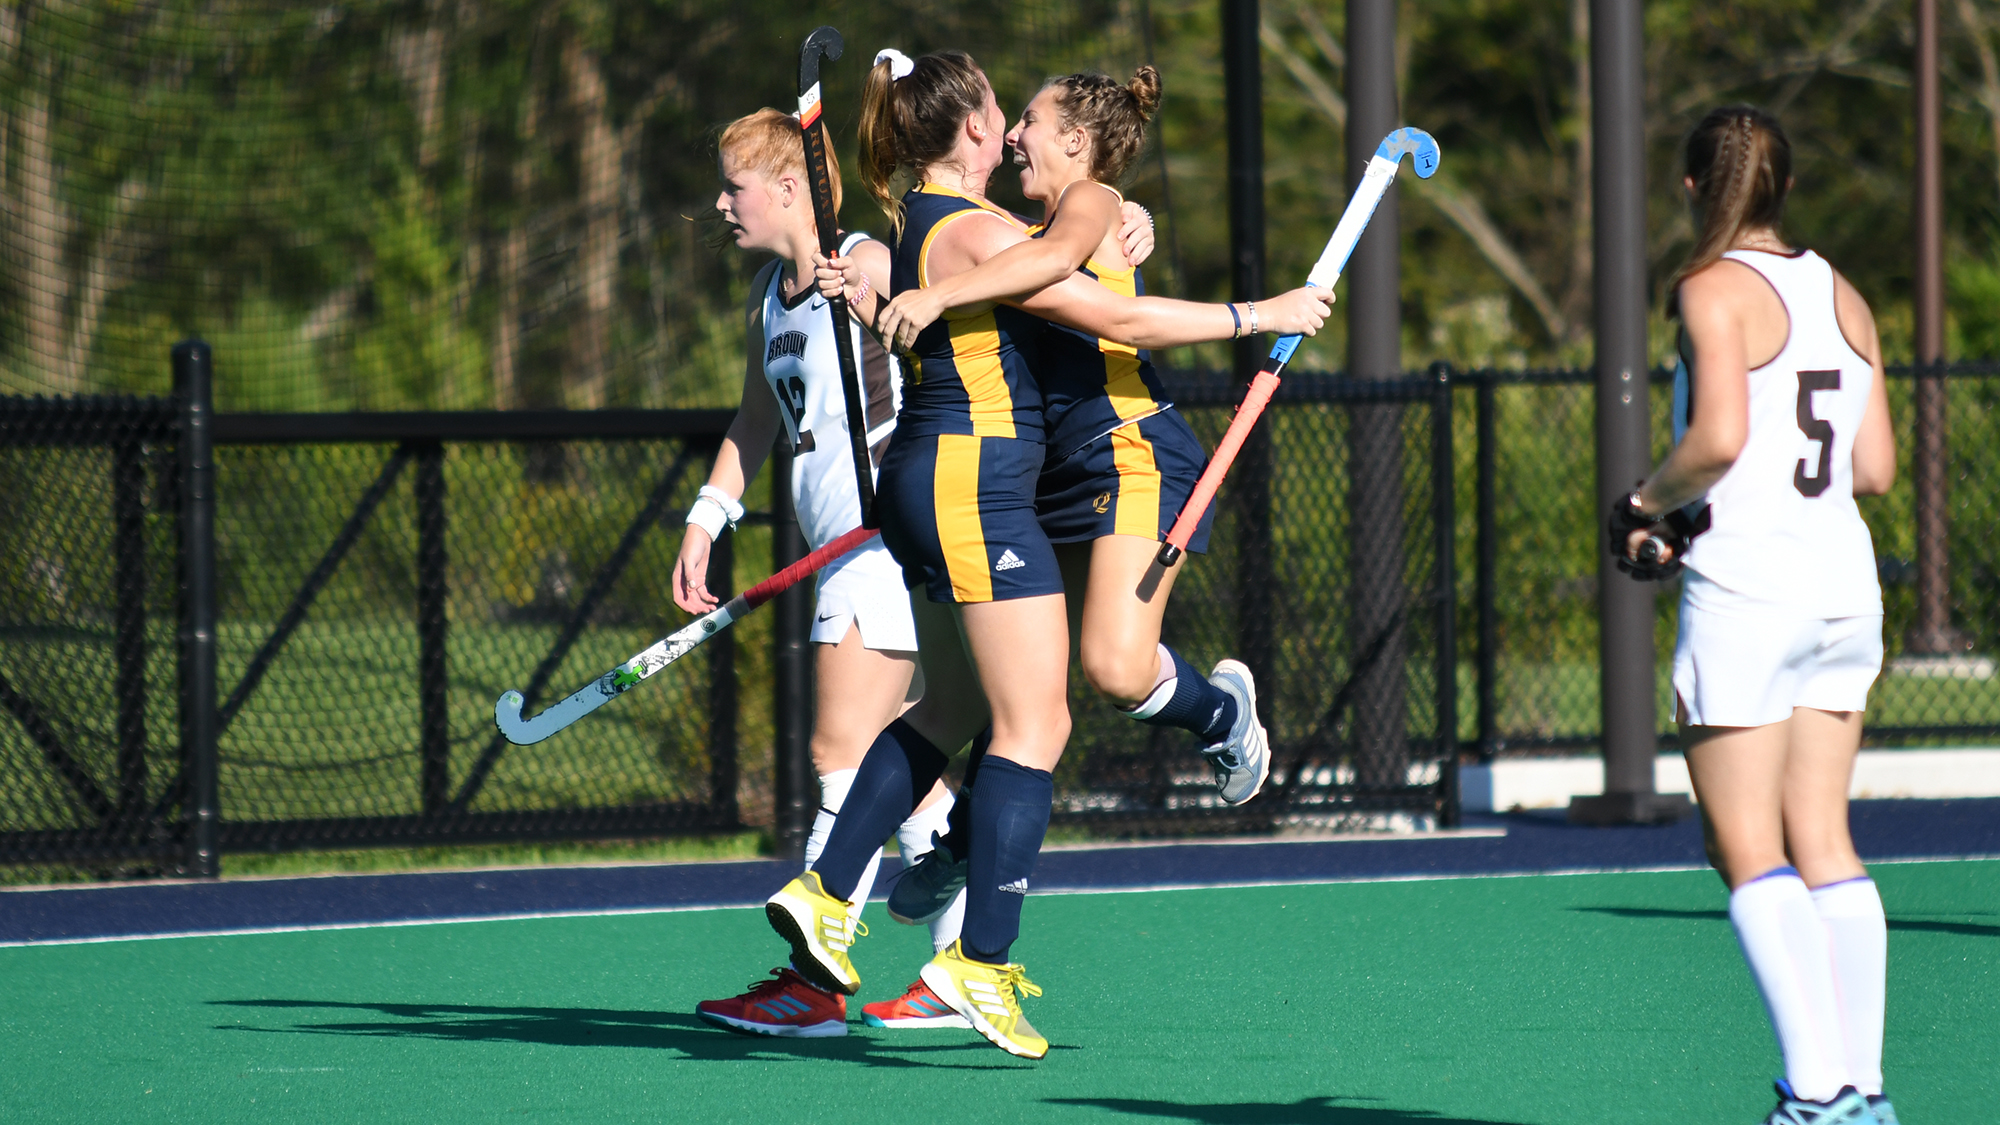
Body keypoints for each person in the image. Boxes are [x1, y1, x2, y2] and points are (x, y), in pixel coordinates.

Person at [765, 47, 1332, 1059]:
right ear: (972, 133)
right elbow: (1078, 295)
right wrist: (1254, 311)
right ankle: (967, 951)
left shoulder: (1006, 218)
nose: (1016, 129)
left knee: (999, 698)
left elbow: (1071, 272)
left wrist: (1112, 230)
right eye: (1004, 114)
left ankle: (854, 894)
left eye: (1031, 118)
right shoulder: (986, 229)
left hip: (1026, 467)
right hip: (988, 480)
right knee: (1028, 712)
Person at [684, 108, 1157, 1038]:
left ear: (789, 188)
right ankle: (948, 947)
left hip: (891, 536)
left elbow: (1014, 256)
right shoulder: (766, 300)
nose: (720, 203)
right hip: (860, 546)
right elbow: (754, 419)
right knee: (928, 744)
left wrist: (1119, 211)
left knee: (844, 748)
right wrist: (708, 516)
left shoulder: (869, 253)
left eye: (733, 186)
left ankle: (813, 981)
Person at [856, 66, 1275, 937]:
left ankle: (1224, 712)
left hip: (1128, 452)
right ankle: (968, 840)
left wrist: (1259, 312)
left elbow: (1112, 309)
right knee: (1029, 689)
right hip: (1052, 478)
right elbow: (980, 284)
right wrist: (868, 293)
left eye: (1033, 121)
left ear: (1077, 143)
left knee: (1115, 669)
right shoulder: (1022, 225)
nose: (1014, 135)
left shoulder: (1087, 200)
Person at [1610, 105, 1896, 1125]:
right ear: (1783, 187)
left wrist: (1644, 503)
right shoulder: (1844, 295)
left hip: (1748, 596)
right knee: (1824, 839)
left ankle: (1816, 1096)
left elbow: (1719, 436)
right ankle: (1859, 1092)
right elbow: (1873, 468)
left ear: (1692, 188)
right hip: (1841, 591)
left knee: (1743, 848)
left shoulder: (1706, 288)